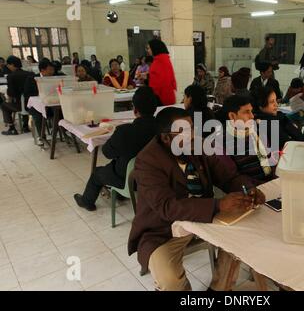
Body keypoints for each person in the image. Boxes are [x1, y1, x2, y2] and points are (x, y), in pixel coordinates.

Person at [128, 107, 266, 291]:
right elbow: (167, 207)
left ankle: (219, 288)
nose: (192, 135)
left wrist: (249, 188)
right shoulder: (147, 161)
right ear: (166, 138)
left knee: (238, 242)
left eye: (192, 128)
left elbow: (228, 176)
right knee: (169, 280)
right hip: (163, 229)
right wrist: (218, 204)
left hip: (206, 217)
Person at [74, 87, 159, 211]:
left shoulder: (125, 131)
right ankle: (119, 194)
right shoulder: (163, 128)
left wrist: (116, 138)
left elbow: (107, 152)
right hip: (155, 177)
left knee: (97, 173)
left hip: (129, 179)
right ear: (155, 108)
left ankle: (87, 202)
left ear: (134, 109)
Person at [220, 95, 277, 185]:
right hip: (250, 190)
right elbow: (234, 178)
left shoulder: (256, 131)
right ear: (232, 116)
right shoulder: (221, 142)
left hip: (271, 182)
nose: (252, 116)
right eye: (247, 112)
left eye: (251, 111)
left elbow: (271, 158)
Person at [24, 59, 56, 144]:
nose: (52, 72)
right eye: (50, 70)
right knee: (37, 114)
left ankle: (57, 131)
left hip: (51, 104)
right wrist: (40, 92)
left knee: (61, 110)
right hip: (36, 106)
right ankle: (41, 136)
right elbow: (27, 94)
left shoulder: (54, 77)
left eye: (52, 69)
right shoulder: (32, 79)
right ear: (42, 70)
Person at [1, 56, 33, 135]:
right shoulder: (30, 74)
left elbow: (11, 93)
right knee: (23, 99)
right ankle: (25, 126)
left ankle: (12, 128)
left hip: (21, 105)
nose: (8, 67)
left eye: (8, 65)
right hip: (32, 104)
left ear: (12, 65)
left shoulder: (11, 76)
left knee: (3, 105)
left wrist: (8, 97)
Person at [146, 39, 177, 106]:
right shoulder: (162, 59)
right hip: (163, 96)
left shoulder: (161, 60)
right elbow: (158, 76)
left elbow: (162, 81)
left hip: (162, 97)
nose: (147, 50)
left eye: (148, 48)